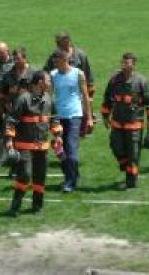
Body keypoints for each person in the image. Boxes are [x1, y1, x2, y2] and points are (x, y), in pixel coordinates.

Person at [5, 71, 63, 216]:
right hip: (24, 147)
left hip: (42, 147)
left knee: (40, 177)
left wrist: (58, 136)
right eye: (48, 80)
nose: (50, 83)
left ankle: (37, 206)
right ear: (40, 82)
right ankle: (15, 206)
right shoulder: (23, 99)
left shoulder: (49, 99)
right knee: (25, 175)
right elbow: (11, 121)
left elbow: (54, 119)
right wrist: (9, 141)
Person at [101, 52, 149, 189]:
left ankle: (131, 182)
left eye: (127, 63)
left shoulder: (142, 81)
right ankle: (124, 164)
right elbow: (108, 98)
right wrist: (105, 116)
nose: (124, 65)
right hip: (117, 124)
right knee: (116, 147)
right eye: (123, 62)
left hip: (134, 126)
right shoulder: (114, 80)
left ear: (133, 65)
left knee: (133, 155)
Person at [50, 49, 93, 192]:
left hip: (74, 116)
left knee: (71, 148)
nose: (55, 64)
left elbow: (85, 96)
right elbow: (49, 96)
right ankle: (72, 175)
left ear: (64, 60)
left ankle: (70, 182)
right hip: (58, 117)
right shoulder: (53, 75)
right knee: (60, 149)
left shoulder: (78, 74)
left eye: (57, 61)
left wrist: (89, 117)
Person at [44, 31, 95, 136]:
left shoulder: (80, 55)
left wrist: (89, 108)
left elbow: (89, 81)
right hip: (61, 101)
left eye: (61, 43)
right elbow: (45, 74)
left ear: (68, 41)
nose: (59, 46)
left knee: (75, 135)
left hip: (77, 104)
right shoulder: (54, 56)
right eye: (58, 43)